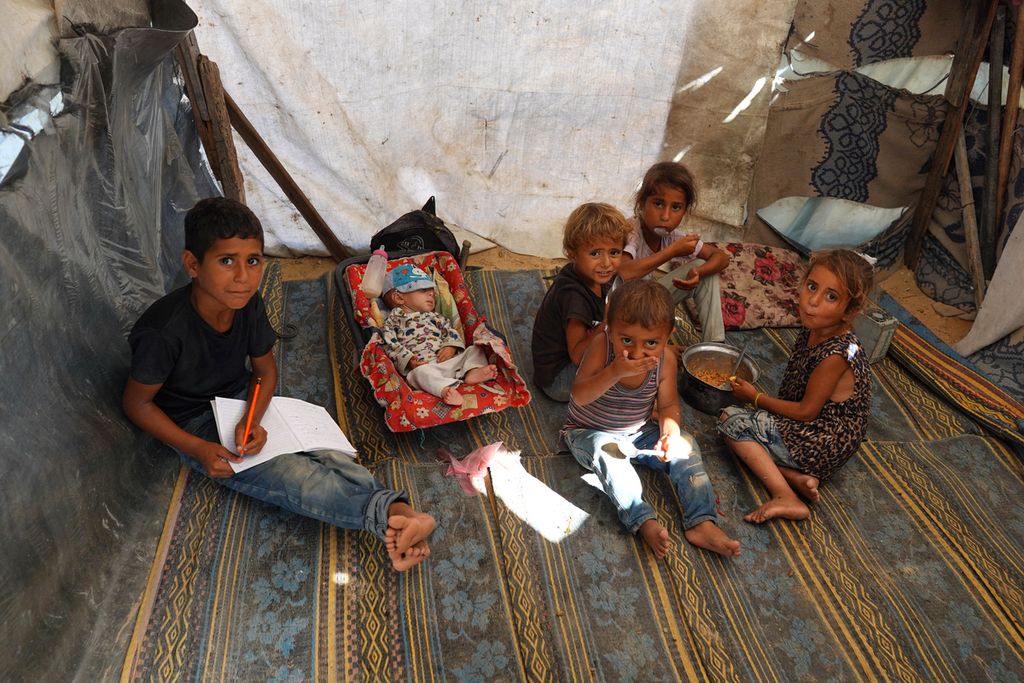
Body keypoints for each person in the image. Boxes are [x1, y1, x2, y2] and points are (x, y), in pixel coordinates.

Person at [122, 197, 435, 571]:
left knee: (328, 454)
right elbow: (137, 404)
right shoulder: (163, 332)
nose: (243, 276)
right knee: (293, 477)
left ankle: (400, 513)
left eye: (252, 261)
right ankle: (387, 516)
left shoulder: (247, 303)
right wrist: (199, 449)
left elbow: (264, 372)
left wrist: (252, 417)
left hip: (242, 401)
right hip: (195, 423)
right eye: (226, 261)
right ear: (193, 264)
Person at [562, 279, 741, 559]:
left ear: (668, 336)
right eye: (626, 340)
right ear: (610, 330)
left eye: (651, 343)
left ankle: (701, 521)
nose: (637, 351)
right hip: (588, 430)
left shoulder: (666, 360)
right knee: (609, 455)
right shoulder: (601, 347)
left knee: (685, 445)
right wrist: (614, 373)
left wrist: (670, 432)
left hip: (638, 430)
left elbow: (668, 404)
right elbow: (579, 396)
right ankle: (643, 519)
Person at [719, 249, 873, 524]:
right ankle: (797, 479)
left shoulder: (837, 354)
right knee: (751, 426)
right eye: (812, 287)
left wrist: (755, 399)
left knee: (731, 422)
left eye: (831, 296)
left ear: (849, 311)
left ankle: (785, 495)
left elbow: (806, 412)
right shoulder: (816, 329)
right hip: (819, 427)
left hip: (823, 439)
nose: (812, 301)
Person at [617, 161, 730, 343]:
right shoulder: (631, 230)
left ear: (685, 211)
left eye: (676, 207)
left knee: (704, 267)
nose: (665, 216)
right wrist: (671, 252)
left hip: (647, 303)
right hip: (621, 309)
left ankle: (714, 346)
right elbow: (622, 272)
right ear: (641, 202)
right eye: (658, 204)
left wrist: (697, 273)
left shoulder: (673, 237)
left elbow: (721, 258)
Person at [531, 202, 633, 402]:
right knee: (623, 364)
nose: (606, 262)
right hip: (558, 381)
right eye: (595, 253)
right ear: (572, 252)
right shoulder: (573, 296)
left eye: (614, 252)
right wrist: (609, 322)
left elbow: (627, 274)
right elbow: (578, 356)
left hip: (564, 366)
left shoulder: (596, 275)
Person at [379, 262, 497, 406]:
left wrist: (451, 346)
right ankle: (445, 390)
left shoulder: (435, 317)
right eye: (423, 290)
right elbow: (390, 343)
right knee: (416, 375)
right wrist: (408, 359)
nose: (431, 294)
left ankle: (473, 371)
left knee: (475, 349)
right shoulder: (394, 320)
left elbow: (450, 332)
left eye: (432, 291)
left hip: (450, 362)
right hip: (425, 367)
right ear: (399, 298)